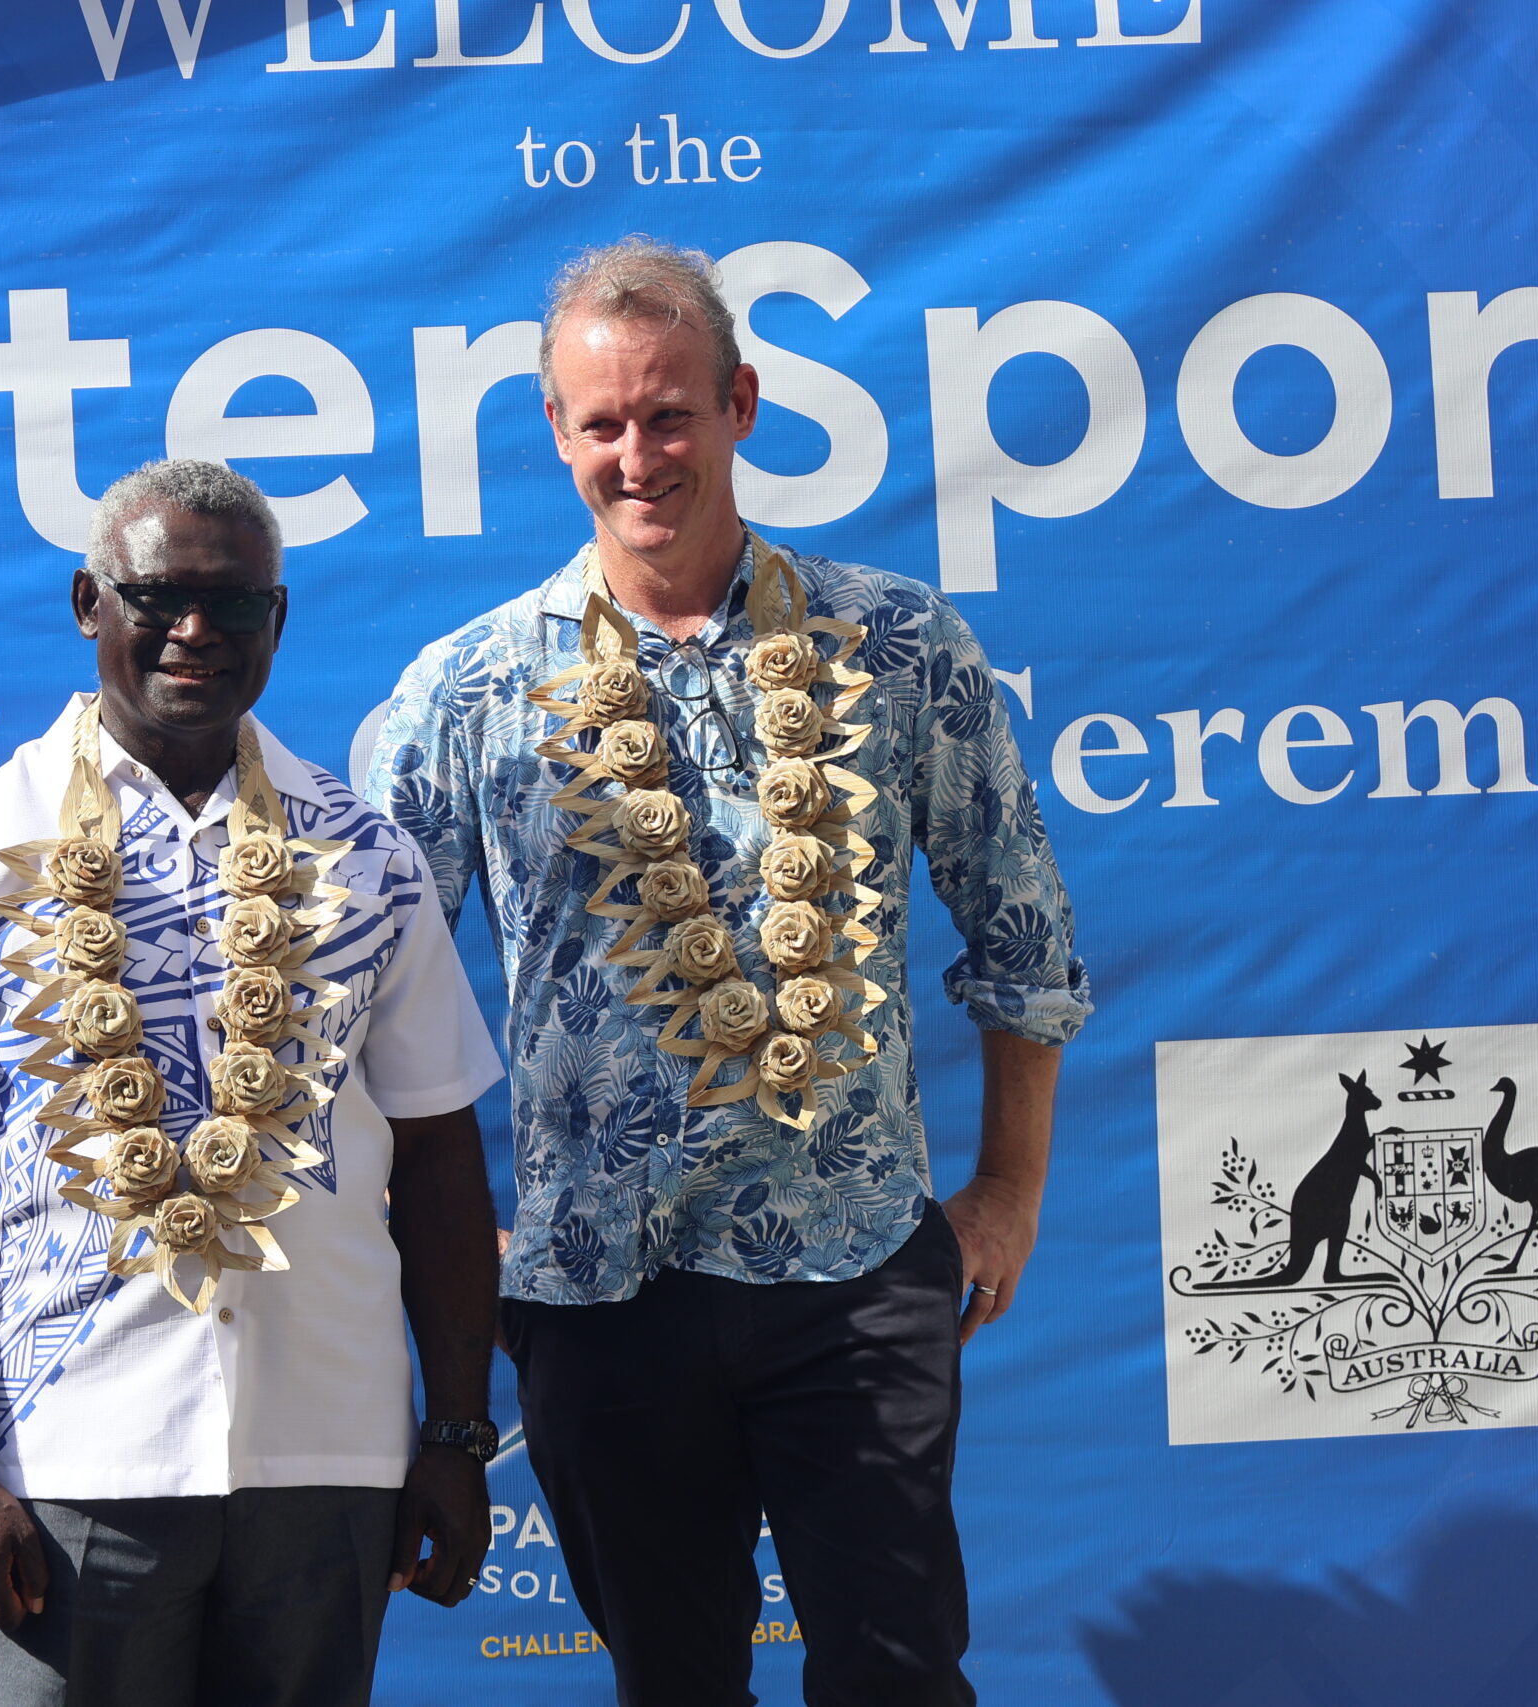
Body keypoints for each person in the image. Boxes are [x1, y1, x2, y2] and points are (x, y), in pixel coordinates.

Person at [365, 238, 1092, 1706]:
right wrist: (454, 1250)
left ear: (744, 401)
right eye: (604, 422)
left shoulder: (898, 645)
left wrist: (1007, 1189)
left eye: (671, 411)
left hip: (857, 1265)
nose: (641, 454)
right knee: (676, 1686)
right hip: (600, 1288)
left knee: (898, 1676)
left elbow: (1021, 925)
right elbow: (360, 990)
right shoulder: (471, 688)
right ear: (558, 434)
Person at [0, 459, 506, 1707]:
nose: (197, 633)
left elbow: (444, 1153)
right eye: (157, 598)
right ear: (90, 603)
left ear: (278, 622)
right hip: (75, 1457)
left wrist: (455, 1435)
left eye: (235, 605)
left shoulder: (367, 857)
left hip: (327, 1449)